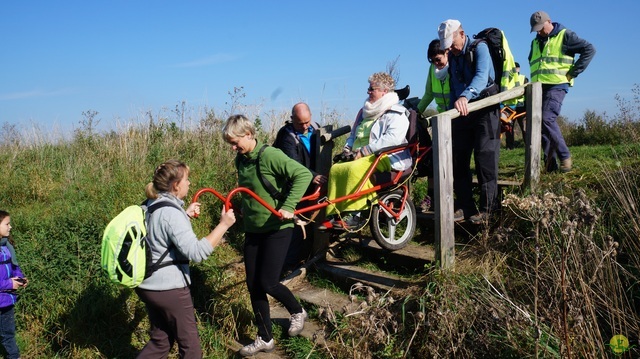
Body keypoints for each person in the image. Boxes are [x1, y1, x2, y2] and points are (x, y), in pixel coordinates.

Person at [222, 114, 312, 357]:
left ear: (249, 134)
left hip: (277, 228)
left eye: (235, 141)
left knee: (269, 282)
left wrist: (289, 206)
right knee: (253, 285)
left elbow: (303, 175)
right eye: (230, 143)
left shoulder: (270, 155)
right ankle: (265, 337)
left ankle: (297, 311)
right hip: (253, 230)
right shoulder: (241, 160)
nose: (233, 147)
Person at [135, 159, 236, 359]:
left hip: (148, 285)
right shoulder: (171, 213)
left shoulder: (151, 205)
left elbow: (161, 235)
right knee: (191, 348)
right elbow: (197, 253)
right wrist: (223, 225)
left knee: (161, 341)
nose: (189, 183)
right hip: (169, 289)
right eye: (187, 179)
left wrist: (184, 214)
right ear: (176, 185)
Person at [323, 72, 412, 229]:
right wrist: (347, 148)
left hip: (386, 155)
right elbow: (353, 135)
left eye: (372, 89)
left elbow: (393, 139)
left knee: (355, 169)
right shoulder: (363, 112)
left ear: (384, 91)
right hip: (360, 154)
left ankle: (357, 214)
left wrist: (365, 151)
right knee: (336, 169)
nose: (368, 91)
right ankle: (337, 212)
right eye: (369, 88)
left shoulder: (396, 113)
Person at [438, 19, 501, 224]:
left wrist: (465, 96)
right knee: (458, 158)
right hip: (463, 112)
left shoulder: (480, 48)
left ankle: (489, 209)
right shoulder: (454, 56)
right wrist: (450, 110)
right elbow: (454, 86)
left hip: (485, 108)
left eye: (451, 42)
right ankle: (465, 206)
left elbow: (482, 76)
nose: (450, 48)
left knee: (485, 158)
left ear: (462, 34)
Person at [528, 10, 595, 172]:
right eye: (536, 29)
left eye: (540, 27)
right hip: (538, 88)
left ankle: (564, 156)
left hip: (557, 85)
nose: (539, 31)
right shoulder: (536, 42)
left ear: (549, 22)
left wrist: (574, 72)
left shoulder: (565, 35)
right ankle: (550, 166)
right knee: (540, 125)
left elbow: (589, 49)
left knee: (546, 119)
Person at [273, 102, 326, 274]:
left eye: (307, 122)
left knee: (311, 222)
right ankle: (287, 267)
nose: (304, 126)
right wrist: (312, 175)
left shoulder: (317, 129)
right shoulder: (286, 136)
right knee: (295, 226)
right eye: (300, 123)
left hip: (315, 185)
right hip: (294, 187)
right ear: (291, 120)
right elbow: (293, 164)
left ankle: (308, 257)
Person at [416, 39, 451, 211]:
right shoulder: (433, 69)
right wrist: (416, 112)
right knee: (434, 159)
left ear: (447, 53)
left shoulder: (456, 65)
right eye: (432, 61)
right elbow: (429, 93)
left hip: (458, 117)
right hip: (441, 119)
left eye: (438, 59)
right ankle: (431, 197)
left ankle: (450, 198)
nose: (436, 64)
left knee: (455, 161)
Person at [0, 210, 27, 359]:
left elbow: (14, 267)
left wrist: (19, 278)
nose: (10, 227)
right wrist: (8, 283)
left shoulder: (6, 246)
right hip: (4, 293)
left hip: (6, 301)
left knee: (8, 334)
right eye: (7, 224)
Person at [504, 62, 529, 149]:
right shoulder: (507, 79)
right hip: (509, 106)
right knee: (509, 127)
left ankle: (528, 145)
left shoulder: (523, 78)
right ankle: (510, 146)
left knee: (524, 127)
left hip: (521, 107)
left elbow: (528, 93)